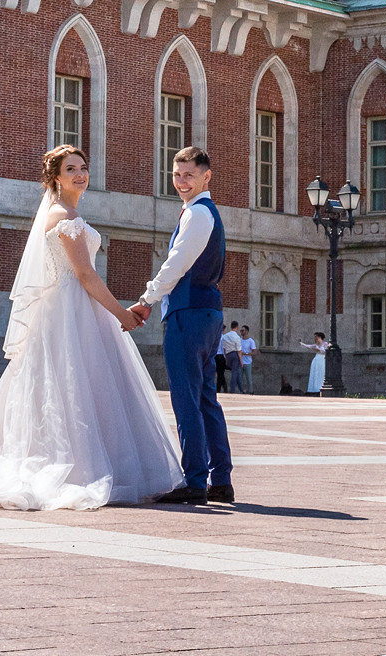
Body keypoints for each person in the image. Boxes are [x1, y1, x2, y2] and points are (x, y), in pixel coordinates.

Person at [0, 146, 181, 511]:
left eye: (83, 168)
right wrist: (119, 315)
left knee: (77, 387)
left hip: (69, 309)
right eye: (71, 169)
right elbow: (84, 274)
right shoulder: (64, 217)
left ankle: (88, 462)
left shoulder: (66, 213)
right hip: (72, 308)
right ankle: (80, 468)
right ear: (56, 178)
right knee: (75, 385)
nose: (80, 175)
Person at [125, 145, 234, 505]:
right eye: (176, 174)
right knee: (205, 399)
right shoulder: (201, 213)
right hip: (207, 313)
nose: (182, 181)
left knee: (187, 400)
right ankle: (220, 479)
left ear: (207, 176)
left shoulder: (199, 214)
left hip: (189, 313)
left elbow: (177, 264)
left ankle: (196, 481)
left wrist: (147, 300)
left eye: (189, 174)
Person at [216, 321, 240, 394]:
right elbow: (224, 348)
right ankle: (222, 388)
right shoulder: (223, 337)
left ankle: (222, 388)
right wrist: (225, 357)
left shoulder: (217, 337)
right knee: (221, 374)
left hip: (216, 356)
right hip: (221, 356)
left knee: (220, 373)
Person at [236, 324, 256, 395]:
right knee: (240, 378)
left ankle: (250, 391)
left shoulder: (251, 341)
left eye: (243, 330)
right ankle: (241, 391)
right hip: (240, 361)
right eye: (241, 330)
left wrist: (246, 354)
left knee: (249, 378)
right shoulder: (239, 340)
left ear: (247, 331)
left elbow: (254, 352)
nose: (241, 332)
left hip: (248, 362)